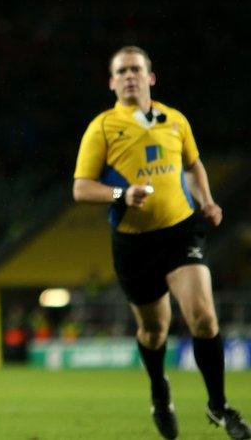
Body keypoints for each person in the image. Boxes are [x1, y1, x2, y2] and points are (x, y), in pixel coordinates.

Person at [73, 46, 250, 440]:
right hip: (134, 244)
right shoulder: (101, 128)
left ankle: (218, 406)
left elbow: (192, 165)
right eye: (122, 71)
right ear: (112, 82)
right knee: (154, 332)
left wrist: (207, 201)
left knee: (203, 316)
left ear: (151, 77)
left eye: (137, 69)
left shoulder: (176, 120)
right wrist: (121, 196)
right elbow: (81, 188)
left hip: (179, 232)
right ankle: (159, 391)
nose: (130, 76)